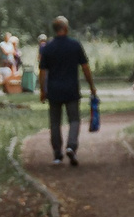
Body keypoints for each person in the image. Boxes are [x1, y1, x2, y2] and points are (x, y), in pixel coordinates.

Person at [36, 16, 95, 165]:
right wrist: (91, 86)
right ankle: (71, 146)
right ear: (66, 28)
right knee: (74, 119)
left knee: (55, 122)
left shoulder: (48, 47)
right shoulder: (75, 45)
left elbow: (42, 71)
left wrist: (43, 90)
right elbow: (85, 67)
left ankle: (57, 154)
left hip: (54, 90)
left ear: (54, 30)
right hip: (71, 89)